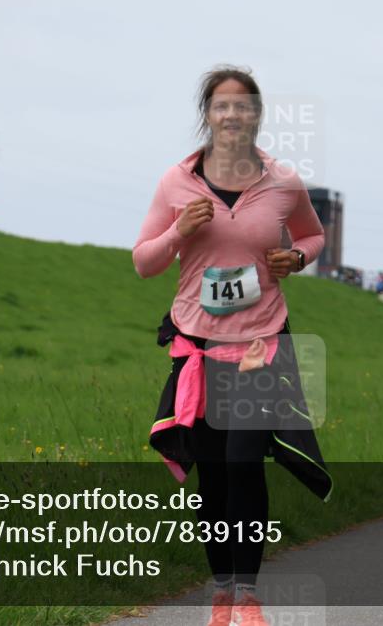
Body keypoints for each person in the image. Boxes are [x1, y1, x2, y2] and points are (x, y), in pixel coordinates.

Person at [134, 66, 331, 626]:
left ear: (257, 115)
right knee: (215, 474)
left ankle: (247, 596)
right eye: (222, 106)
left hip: (258, 346)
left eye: (243, 106)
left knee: (245, 463)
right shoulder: (177, 182)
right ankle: (221, 594)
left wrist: (297, 257)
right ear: (208, 114)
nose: (232, 115)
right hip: (198, 347)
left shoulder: (283, 182)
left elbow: (313, 234)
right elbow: (144, 262)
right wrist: (178, 232)